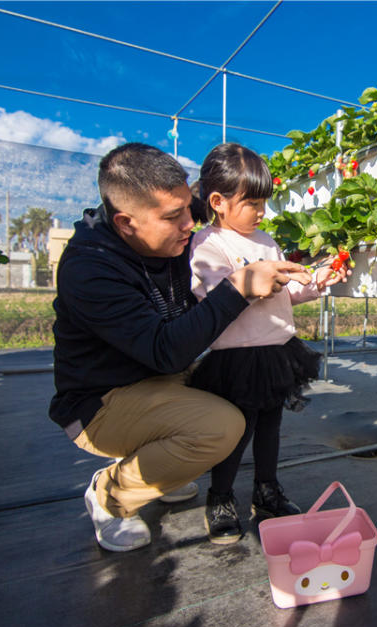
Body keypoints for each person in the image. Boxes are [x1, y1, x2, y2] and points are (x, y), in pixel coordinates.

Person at [50, 142, 310, 552]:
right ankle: (109, 494)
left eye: (190, 207)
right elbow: (164, 350)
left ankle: (161, 469)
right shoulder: (90, 269)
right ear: (125, 223)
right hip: (103, 402)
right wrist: (238, 286)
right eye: (174, 217)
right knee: (222, 427)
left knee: (244, 390)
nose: (191, 223)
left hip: (162, 378)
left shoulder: (176, 226)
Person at [187, 142, 348, 544]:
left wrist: (313, 283)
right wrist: (256, 280)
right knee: (236, 430)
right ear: (218, 201)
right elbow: (212, 295)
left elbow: (285, 294)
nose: (261, 212)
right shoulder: (209, 244)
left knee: (271, 427)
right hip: (237, 358)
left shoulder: (266, 239)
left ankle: (267, 490)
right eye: (252, 202)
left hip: (277, 349)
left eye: (263, 202)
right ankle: (220, 498)